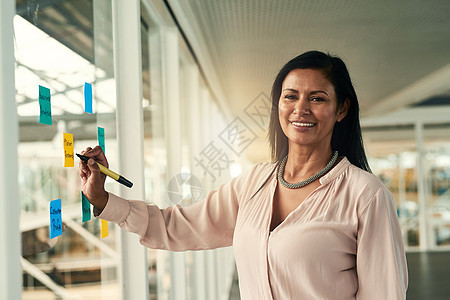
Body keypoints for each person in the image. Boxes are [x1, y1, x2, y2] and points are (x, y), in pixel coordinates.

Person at [79, 50, 408, 299]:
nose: (300, 109)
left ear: (341, 109)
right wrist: (103, 199)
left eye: (317, 98)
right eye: (290, 96)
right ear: (277, 104)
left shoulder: (366, 196)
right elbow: (176, 227)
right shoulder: (254, 183)